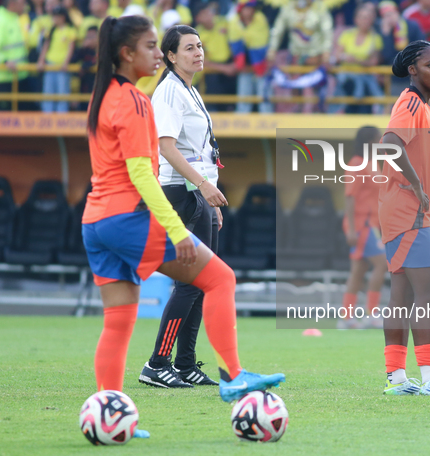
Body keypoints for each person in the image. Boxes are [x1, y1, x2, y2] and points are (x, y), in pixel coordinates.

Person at [83, 15, 284, 406]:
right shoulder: (139, 100)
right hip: (129, 216)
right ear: (127, 53)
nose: (158, 54)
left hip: (95, 220)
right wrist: (176, 230)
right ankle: (234, 377)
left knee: (119, 321)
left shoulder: (103, 94)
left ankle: (108, 412)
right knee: (221, 280)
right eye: (151, 46)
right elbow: (144, 173)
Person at [138, 24, 228, 388]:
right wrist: (205, 186)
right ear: (171, 56)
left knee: (203, 282)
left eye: (200, 46)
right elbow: (166, 146)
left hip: (197, 194)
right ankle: (157, 364)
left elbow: (200, 151)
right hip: (180, 192)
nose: (198, 52)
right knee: (192, 281)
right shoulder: (170, 93)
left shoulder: (189, 90)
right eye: (189, 48)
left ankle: (185, 363)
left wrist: (212, 196)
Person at [379, 40, 430, 396]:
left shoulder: (419, 105)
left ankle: (397, 379)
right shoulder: (411, 102)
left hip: (398, 211)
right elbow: (389, 143)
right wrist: (416, 185)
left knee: (403, 297)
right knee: (429, 293)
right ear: (413, 70)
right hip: (410, 213)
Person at [337, 126, 387, 330]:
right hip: (361, 224)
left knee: (358, 270)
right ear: (369, 142)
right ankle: (371, 313)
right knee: (382, 263)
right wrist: (350, 229)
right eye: (378, 139)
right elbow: (350, 197)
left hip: (372, 224)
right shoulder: (356, 164)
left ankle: (346, 317)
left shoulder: (372, 164)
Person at [266, 0, 333, 113]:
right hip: (296, 55)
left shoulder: (320, 9)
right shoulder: (288, 9)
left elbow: (328, 33)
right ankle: (297, 108)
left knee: (316, 84)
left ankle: (317, 109)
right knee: (295, 85)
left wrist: (326, 55)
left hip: (315, 55)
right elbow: (278, 31)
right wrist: (271, 52)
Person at [329, 2, 384, 115]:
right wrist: (348, 59)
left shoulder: (375, 38)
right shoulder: (347, 35)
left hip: (365, 81)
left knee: (363, 108)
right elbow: (337, 56)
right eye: (362, 17)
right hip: (346, 81)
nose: (365, 21)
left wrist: (354, 60)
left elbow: (374, 62)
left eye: (368, 18)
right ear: (356, 19)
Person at [0, 0, 31, 111]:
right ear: (12, 4)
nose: (25, 6)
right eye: (22, 3)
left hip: (22, 75)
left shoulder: (18, 19)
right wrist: (5, 61)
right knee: (6, 116)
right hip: (5, 78)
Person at [229, 0, 272, 113]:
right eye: (247, 7)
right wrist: (241, 64)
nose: (250, 10)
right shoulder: (234, 21)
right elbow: (235, 44)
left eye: (252, 7)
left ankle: (269, 126)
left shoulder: (260, 18)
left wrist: (244, 37)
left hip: (260, 64)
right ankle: (241, 128)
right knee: (243, 98)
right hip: (244, 67)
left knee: (264, 98)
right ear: (241, 9)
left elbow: (260, 44)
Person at [374, 1, 424, 97]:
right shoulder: (381, 31)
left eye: (391, 14)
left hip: (413, 73)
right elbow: (386, 55)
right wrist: (386, 35)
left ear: (397, 12)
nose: (389, 18)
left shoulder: (412, 26)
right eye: (385, 16)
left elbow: (422, 48)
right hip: (393, 76)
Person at [193, 2, 236, 112]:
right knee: (213, 104)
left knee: (232, 101)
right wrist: (224, 68)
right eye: (204, 13)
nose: (209, 15)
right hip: (212, 72)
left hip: (230, 65)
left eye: (209, 11)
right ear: (198, 18)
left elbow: (236, 40)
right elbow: (201, 59)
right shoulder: (196, 35)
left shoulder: (223, 23)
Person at [37, 6, 76, 113]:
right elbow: (46, 46)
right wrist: (41, 60)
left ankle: (61, 115)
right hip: (50, 64)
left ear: (63, 17)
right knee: (48, 91)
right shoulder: (52, 30)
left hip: (61, 66)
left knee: (62, 91)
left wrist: (65, 63)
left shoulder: (70, 30)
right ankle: (47, 114)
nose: (54, 19)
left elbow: (70, 48)